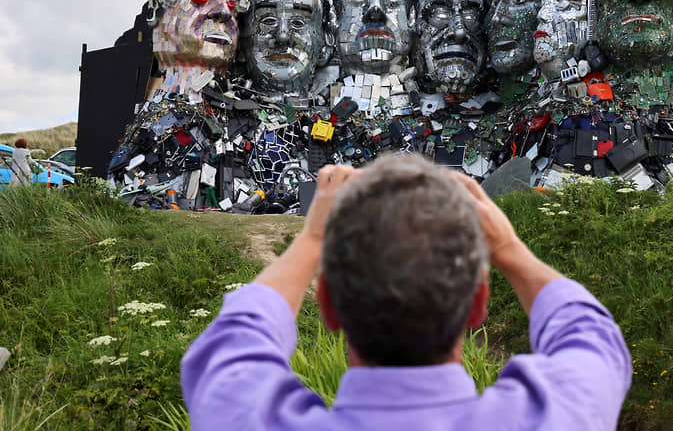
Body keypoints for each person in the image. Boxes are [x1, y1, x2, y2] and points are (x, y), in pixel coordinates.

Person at [181, 153, 631, 429]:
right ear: (479, 304)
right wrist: (510, 249)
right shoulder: (558, 416)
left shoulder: (246, 415)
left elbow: (230, 345)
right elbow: (590, 335)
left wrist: (312, 239)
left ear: (328, 306)